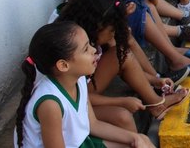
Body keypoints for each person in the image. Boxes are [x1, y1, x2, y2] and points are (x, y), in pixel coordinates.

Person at [56, 0, 190, 124]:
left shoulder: (89, 35)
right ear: (97, 25)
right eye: (112, 30)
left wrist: (153, 80)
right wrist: (121, 101)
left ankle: (156, 103)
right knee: (122, 114)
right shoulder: (73, 47)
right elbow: (80, 96)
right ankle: (156, 104)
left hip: (84, 92)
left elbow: (122, 61)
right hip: (73, 103)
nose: (113, 34)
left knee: (122, 53)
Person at [15, 21, 155, 148]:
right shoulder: (50, 104)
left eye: (90, 45)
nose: (94, 50)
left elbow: (93, 124)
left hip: (80, 143)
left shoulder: (78, 79)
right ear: (63, 65)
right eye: (85, 49)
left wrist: (135, 138)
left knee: (140, 142)